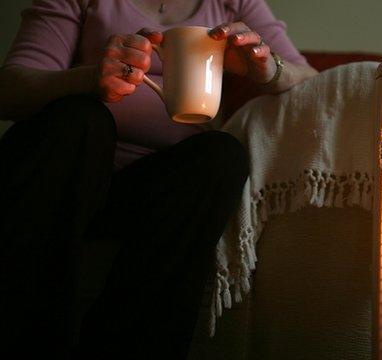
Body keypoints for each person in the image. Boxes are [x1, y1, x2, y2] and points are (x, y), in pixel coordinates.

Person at [0, 0, 318, 359]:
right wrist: (89, 78)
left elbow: (309, 79)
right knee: (81, 118)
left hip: (152, 191)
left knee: (222, 154)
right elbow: (9, 89)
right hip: (66, 175)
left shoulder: (233, 4)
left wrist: (264, 68)